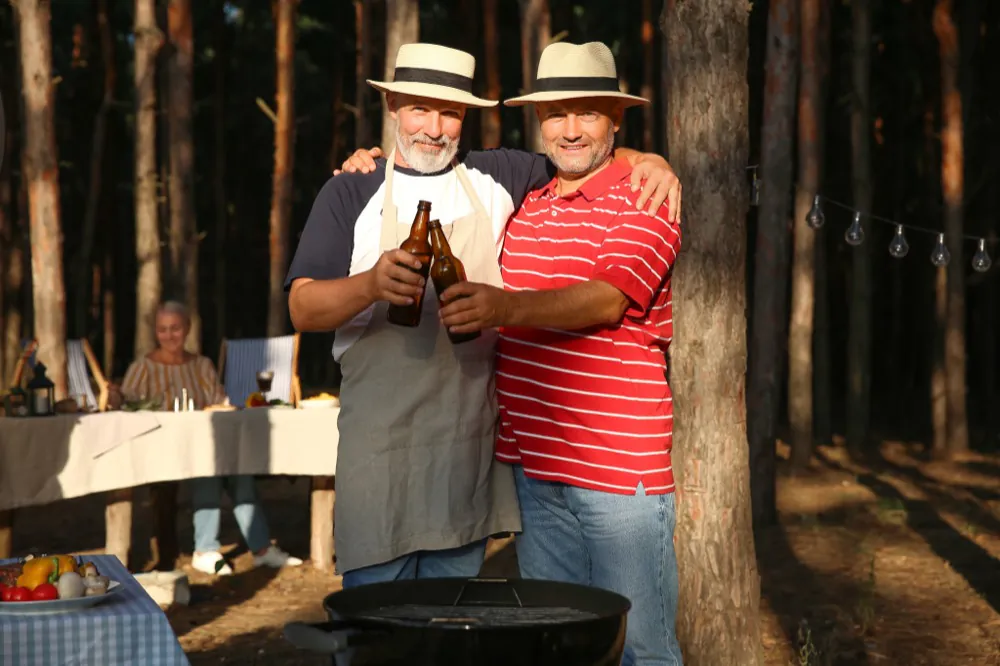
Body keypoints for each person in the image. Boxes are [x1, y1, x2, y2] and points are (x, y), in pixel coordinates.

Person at [286, 42, 681, 589]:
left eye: (449, 112)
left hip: (465, 451)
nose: (432, 126)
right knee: (376, 633)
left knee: (453, 626)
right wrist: (370, 285)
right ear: (394, 107)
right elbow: (302, 307)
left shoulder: (499, 174)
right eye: (419, 108)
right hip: (379, 455)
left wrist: (650, 161)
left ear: (465, 118)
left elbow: (585, 154)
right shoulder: (351, 188)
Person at [432, 42, 685, 665]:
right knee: (563, 647)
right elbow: (428, 157)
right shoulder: (530, 205)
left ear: (615, 120)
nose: (570, 130)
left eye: (588, 114)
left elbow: (603, 300)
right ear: (538, 122)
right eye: (556, 115)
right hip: (538, 473)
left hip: (617, 476)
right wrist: (371, 159)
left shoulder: (645, 199)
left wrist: (500, 308)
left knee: (643, 650)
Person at [117, 301, 302, 576]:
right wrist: (115, 396)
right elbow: (126, 406)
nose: (170, 335)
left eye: (176, 328)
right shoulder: (143, 368)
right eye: (163, 329)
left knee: (237, 469)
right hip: (162, 449)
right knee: (208, 466)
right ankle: (205, 549)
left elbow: (218, 403)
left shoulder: (202, 365)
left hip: (202, 442)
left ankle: (261, 549)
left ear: (187, 329)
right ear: (156, 332)